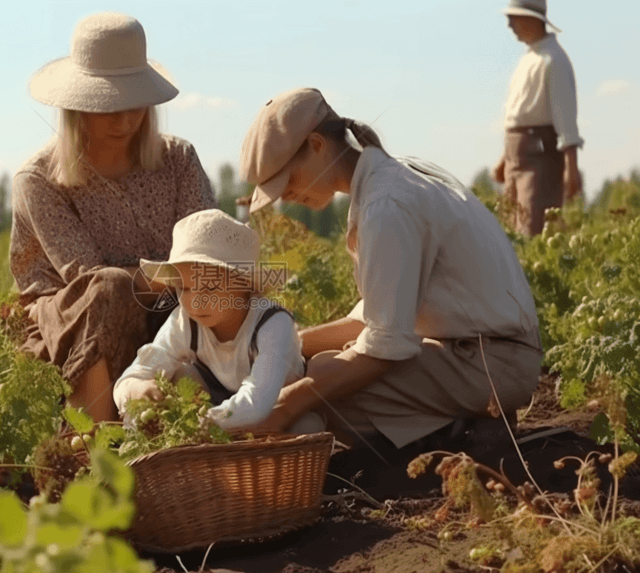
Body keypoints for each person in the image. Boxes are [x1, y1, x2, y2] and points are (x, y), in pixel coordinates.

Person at [239, 87, 542, 455]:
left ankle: (454, 428)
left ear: (317, 145)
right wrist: (283, 343)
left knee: (320, 392)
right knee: (317, 368)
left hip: (491, 363)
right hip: (482, 352)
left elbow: (384, 343)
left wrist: (288, 403)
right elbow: (374, 320)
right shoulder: (388, 180)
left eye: (287, 181)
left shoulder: (386, 205)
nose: (285, 197)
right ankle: (456, 419)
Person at [10, 13, 216, 422]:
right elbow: (89, 279)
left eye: (134, 105)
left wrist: (197, 279)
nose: (125, 121)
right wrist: (183, 274)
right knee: (110, 286)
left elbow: (210, 255)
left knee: (235, 297)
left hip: (171, 311)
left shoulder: (177, 159)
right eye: (109, 107)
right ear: (77, 107)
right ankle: (90, 447)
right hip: (69, 326)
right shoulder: (39, 179)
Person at [113, 209, 324, 433]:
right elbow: (130, 378)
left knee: (308, 427)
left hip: (277, 413)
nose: (195, 302)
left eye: (210, 287)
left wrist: (196, 426)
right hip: (216, 414)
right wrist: (137, 388)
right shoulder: (186, 322)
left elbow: (257, 405)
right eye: (183, 288)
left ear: (244, 285)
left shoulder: (273, 323)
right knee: (183, 376)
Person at [491, 0, 583, 236]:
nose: (509, 24)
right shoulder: (528, 59)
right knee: (509, 229)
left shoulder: (554, 59)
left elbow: (566, 117)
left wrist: (570, 168)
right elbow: (518, 115)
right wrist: (506, 158)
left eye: (514, 17)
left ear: (531, 18)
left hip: (539, 159)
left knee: (532, 228)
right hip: (517, 158)